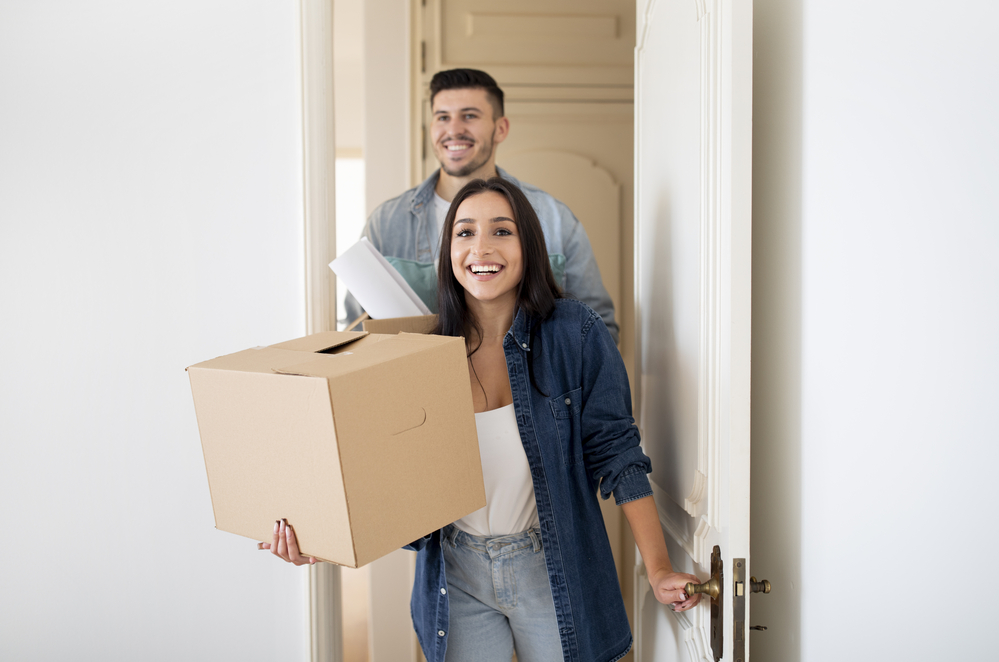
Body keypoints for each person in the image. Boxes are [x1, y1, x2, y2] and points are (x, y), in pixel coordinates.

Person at [266, 177, 699, 661]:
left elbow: (618, 453)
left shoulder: (575, 333)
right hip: (456, 572)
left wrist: (658, 568)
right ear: (449, 250)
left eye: (502, 231)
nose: (481, 248)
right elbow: (386, 476)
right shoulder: (419, 354)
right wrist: (319, 539)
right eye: (465, 232)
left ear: (528, 245)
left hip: (551, 567)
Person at [343, 68, 619, 344]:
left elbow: (599, 329)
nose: (453, 130)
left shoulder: (554, 219)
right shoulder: (386, 222)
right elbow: (355, 333)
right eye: (442, 117)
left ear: (500, 128)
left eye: (469, 116)